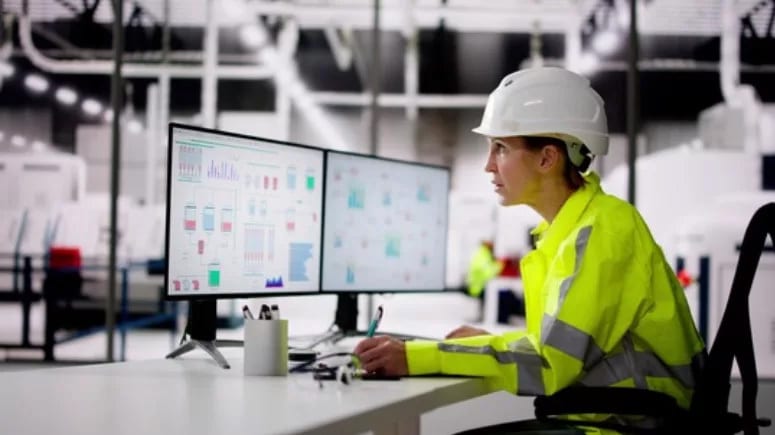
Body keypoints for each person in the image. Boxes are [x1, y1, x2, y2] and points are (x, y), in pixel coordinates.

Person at [354, 67, 705, 430]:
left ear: (547, 159)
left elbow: (548, 364)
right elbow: (556, 347)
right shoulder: (570, 231)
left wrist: (415, 357)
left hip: (630, 424)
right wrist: (486, 344)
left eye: (501, 148)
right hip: (617, 416)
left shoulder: (602, 232)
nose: (489, 165)